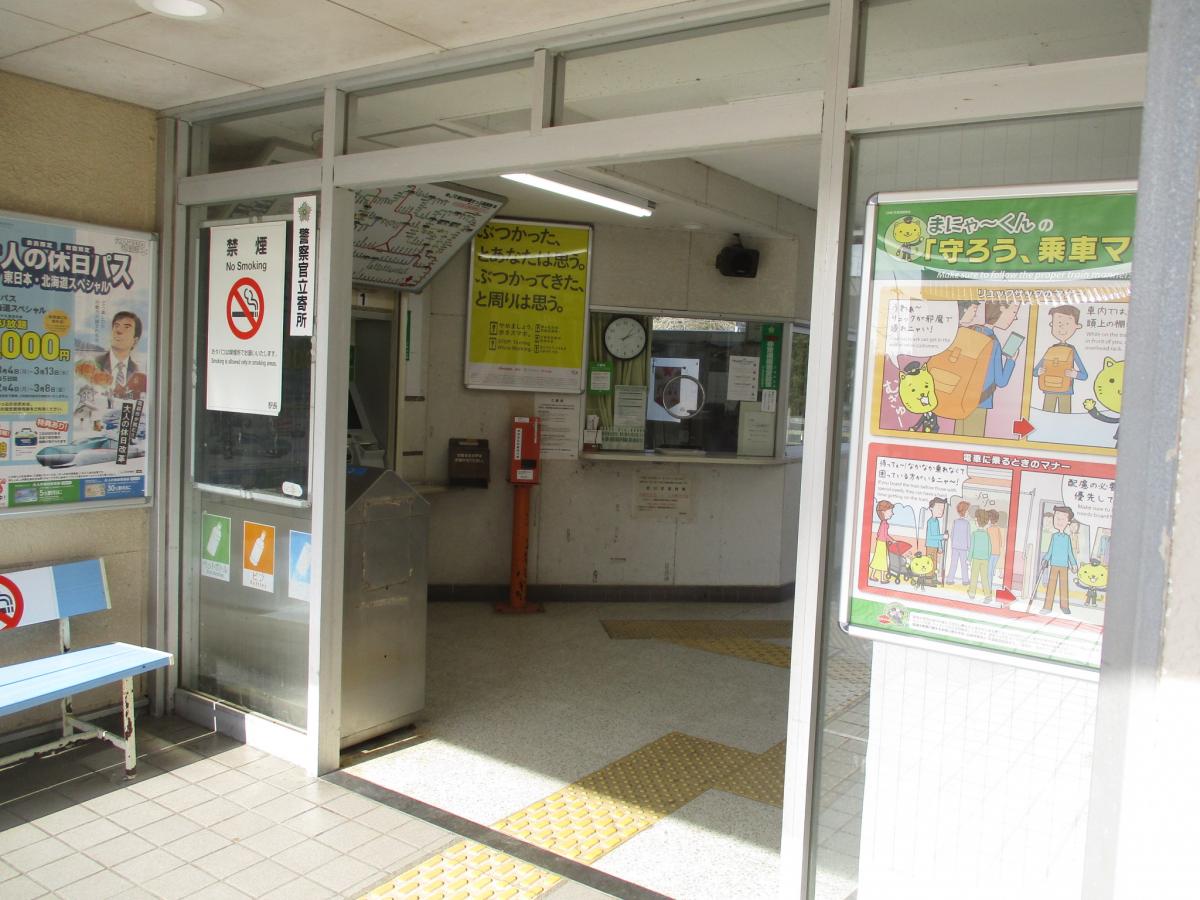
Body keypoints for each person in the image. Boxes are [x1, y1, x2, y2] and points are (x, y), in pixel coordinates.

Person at [955, 299, 1019, 437]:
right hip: (980, 401)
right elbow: (1001, 381)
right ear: (1001, 309)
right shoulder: (993, 342)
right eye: (1014, 312)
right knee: (973, 441)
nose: (1015, 317)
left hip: (959, 396)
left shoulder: (969, 331)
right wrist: (1010, 361)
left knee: (958, 436)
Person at [1032, 305, 1088, 413]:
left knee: (1065, 414)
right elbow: (1034, 371)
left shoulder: (1072, 350)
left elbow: (1084, 375)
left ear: (1077, 326)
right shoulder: (1051, 349)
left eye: (1067, 324)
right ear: (1051, 324)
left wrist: (1075, 374)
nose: (1062, 328)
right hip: (1048, 388)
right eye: (1059, 324)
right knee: (1046, 413)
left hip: (1066, 390)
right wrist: (1038, 372)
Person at [92, 310, 145, 401]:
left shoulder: (137, 371)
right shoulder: (95, 363)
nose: (118, 331)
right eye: (116, 326)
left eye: (126, 327)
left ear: (135, 341)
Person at [1041, 506, 1079, 614]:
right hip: (1054, 564)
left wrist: (1074, 564)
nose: (1058, 521)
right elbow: (1050, 550)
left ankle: (1065, 606)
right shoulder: (1054, 536)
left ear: (1068, 522)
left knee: (1064, 586)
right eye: (1056, 518)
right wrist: (1045, 559)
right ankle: (1047, 607)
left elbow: (1069, 552)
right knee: (1051, 585)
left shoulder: (1067, 538)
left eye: (1062, 519)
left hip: (1064, 565)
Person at [968, 509, 993, 602]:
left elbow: (971, 548)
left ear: (977, 522)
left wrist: (969, 559)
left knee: (974, 576)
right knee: (984, 578)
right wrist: (988, 558)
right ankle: (988, 595)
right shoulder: (987, 535)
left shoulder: (974, 534)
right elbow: (990, 548)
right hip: (985, 560)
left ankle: (972, 593)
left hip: (976, 559)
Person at [869, 500, 895, 581]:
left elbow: (879, 534)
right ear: (883, 512)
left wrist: (889, 540)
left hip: (880, 543)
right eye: (890, 511)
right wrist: (892, 540)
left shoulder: (883, 523)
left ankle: (872, 575)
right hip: (882, 544)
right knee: (882, 561)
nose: (892, 513)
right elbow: (884, 535)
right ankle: (883, 578)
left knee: (878, 560)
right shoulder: (884, 524)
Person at [948, 500, 972, 586]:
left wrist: (953, 544)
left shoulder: (955, 522)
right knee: (964, 565)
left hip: (955, 546)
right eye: (968, 510)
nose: (968, 512)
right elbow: (968, 536)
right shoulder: (967, 523)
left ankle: (949, 580)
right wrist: (969, 547)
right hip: (963, 548)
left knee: (953, 563)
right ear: (965, 511)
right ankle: (965, 581)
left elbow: (952, 535)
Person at [925, 497, 947, 584]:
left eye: (942, 509)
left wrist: (940, 547)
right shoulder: (930, 521)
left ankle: (933, 578)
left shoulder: (937, 521)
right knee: (930, 563)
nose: (940, 511)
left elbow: (937, 533)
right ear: (931, 508)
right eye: (938, 508)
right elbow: (931, 536)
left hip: (935, 546)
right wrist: (942, 536)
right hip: (930, 545)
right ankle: (928, 580)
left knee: (934, 563)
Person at [986, 509, 1004, 590]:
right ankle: (989, 585)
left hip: (990, 552)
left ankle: (988, 587)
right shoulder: (998, 529)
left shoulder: (988, 529)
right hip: (997, 553)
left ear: (990, 519)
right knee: (991, 569)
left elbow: (986, 542)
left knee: (989, 571)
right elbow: (1000, 542)